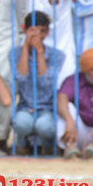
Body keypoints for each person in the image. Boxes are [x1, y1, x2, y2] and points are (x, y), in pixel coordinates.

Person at [12, 10, 65, 155]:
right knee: (21, 123)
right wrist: (25, 47)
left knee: (44, 126)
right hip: (25, 107)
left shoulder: (57, 55)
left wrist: (39, 52)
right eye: (33, 31)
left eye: (42, 31)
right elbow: (21, 77)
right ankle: (22, 146)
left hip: (47, 108)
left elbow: (45, 81)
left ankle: (48, 148)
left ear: (48, 32)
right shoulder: (15, 53)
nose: (38, 35)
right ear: (25, 30)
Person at [56, 48, 93, 158]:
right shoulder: (73, 80)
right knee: (66, 108)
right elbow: (61, 98)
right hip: (78, 131)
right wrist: (69, 121)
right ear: (85, 70)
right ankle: (70, 146)